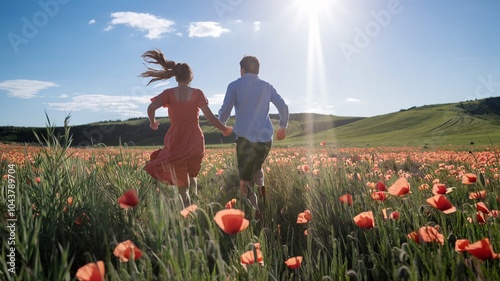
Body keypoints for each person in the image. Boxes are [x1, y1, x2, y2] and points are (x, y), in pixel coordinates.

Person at [141, 49, 232, 208]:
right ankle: (195, 212)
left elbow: (151, 108)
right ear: (190, 77)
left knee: (183, 186)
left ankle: (189, 219)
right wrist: (224, 128)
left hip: (176, 139)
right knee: (192, 175)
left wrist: (152, 122)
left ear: (176, 77)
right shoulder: (198, 93)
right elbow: (210, 117)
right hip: (195, 140)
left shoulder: (169, 93)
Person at [218, 55, 289, 213]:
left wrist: (221, 123)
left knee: (245, 181)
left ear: (242, 70)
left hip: (245, 140)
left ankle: (256, 212)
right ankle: (262, 193)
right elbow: (283, 107)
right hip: (265, 139)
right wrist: (282, 127)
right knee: (257, 167)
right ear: (257, 70)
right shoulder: (267, 86)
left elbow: (225, 112)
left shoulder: (235, 85)